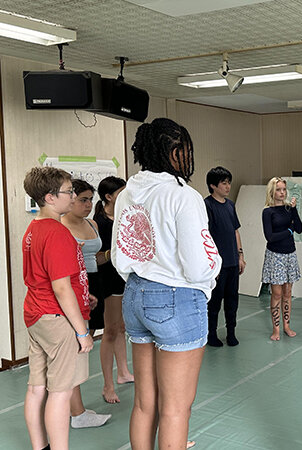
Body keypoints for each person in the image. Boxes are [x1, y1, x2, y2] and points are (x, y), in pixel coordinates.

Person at [112, 118, 222, 449]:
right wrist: (214, 268)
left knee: (145, 402)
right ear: (174, 152)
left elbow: (121, 253)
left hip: (135, 292)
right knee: (176, 409)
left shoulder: (126, 194)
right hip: (177, 299)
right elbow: (197, 265)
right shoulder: (182, 195)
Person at [22, 166, 94, 450]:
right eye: (69, 192)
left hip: (37, 315)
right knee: (61, 392)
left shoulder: (34, 228)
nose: (73, 196)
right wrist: (82, 333)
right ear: (50, 197)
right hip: (57, 318)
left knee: (36, 387)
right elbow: (61, 288)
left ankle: (40, 446)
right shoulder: (57, 232)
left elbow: (49, 277)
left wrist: (83, 295)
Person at [61, 179, 112, 427]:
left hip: (94, 283)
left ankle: (75, 408)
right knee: (74, 351)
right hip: (74, 285)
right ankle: (77, 413)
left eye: (91, 199)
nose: (88, 205)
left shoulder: (92, 224)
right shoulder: (61, 226)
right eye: (83, 199)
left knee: (84, 348)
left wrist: (113, 254)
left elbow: (95, 258)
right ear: (70, 200)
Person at [93, 176, 134, 404]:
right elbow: (97, 257)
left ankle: (123, 372)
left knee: (121, 328)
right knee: (109, 331)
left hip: (123, 278)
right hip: (108, 281)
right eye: (121, 192)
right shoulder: (99, 222)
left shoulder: (123, 216)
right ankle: (107, 385)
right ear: (108, 197)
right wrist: (115, 252)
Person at [205, 166, 246, 347]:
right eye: (224, 183)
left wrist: (240, 256)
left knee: (232, 301)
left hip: (232, 262)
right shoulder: (207, 206)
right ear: (213, 185)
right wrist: (211, 264)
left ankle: (231, 333)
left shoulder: (230, 205)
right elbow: (205, 236)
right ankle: (211, 334)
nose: (228, 186)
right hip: (217, 264)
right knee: (214, 302)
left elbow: (235, 231)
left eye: (229, 182)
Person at [261, 177, 302, 341]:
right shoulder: (268, 212)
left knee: (288, 292)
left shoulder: (288, 209)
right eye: (278, 189)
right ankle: (276, 328)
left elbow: (299, 228)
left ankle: (286, 326)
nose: (282, 192)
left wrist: (294, 210)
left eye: (284, 189)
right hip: (275, 255)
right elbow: (270, 237)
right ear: (272, 191)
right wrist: (289, 231)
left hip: (290, 254)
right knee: (277, 294)